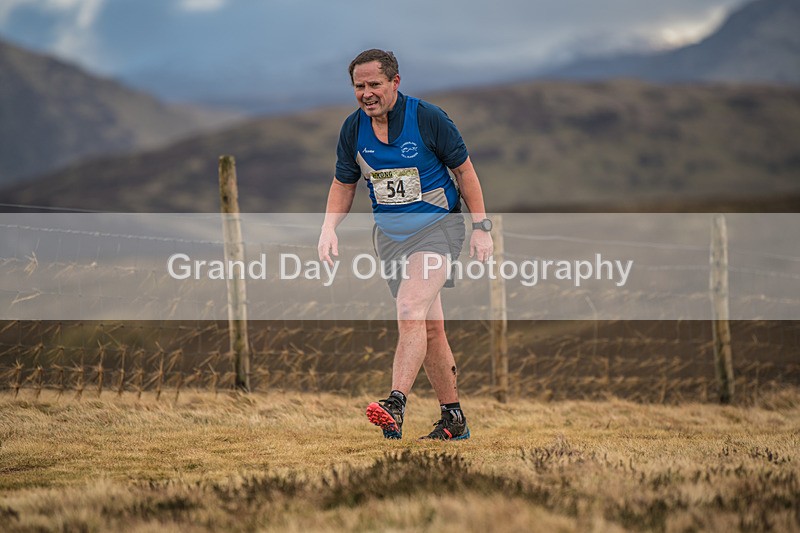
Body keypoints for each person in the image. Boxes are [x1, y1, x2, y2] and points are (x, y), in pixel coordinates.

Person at [318, 49, 493, 440]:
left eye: (374, 84)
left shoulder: (428, 118)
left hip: (438, 229)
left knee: (410, 306)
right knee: (430, 329)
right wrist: (328, 228)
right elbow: (343, 184)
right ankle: (454, 420)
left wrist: (482, 226)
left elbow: (464, 172)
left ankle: (395, 403)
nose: (366, 94)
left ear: (395, 82)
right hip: (391, 238)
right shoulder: (353, 129)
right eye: (359, 87)